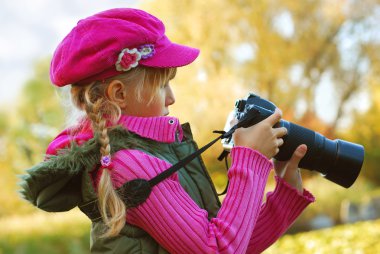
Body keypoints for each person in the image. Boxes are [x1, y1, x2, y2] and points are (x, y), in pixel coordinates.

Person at [20, 8, 315, 254]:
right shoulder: (131, 165)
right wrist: (248, 158)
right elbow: (219, 250)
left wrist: (286, 195)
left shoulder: (148, 155)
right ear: (120, 94)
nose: (171, 97)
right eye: (163, 85)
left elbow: (233, 242)